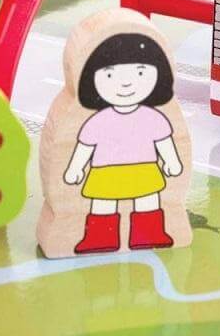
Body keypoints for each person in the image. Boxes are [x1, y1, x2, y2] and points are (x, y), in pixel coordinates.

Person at [63, 32, 184, 253]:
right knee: (103, 204)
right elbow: (84, 147)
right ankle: (99, 238)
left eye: (140, 72)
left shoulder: (153, 118)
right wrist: (74, 168)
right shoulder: (97, 121)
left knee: (148, 200)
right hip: (105, 172)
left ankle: (149, 234)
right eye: (110, 75)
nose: (126, 83)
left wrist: (172, 162)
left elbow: (164, 142)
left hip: (144, 169)